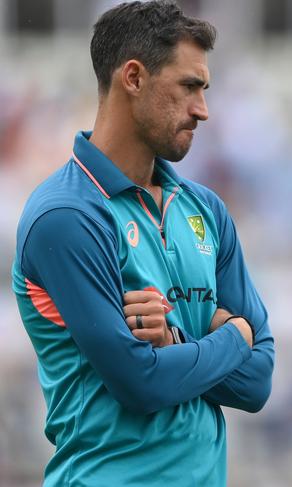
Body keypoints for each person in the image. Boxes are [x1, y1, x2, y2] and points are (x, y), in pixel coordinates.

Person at [12, 2, 274, 486]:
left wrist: (177, 341)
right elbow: (139, 382)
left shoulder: (206, 210)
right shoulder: (66, 216)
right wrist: (234, 335)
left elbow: (259, 383)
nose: (203, 109)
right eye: (188, 86)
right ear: (133, 77)